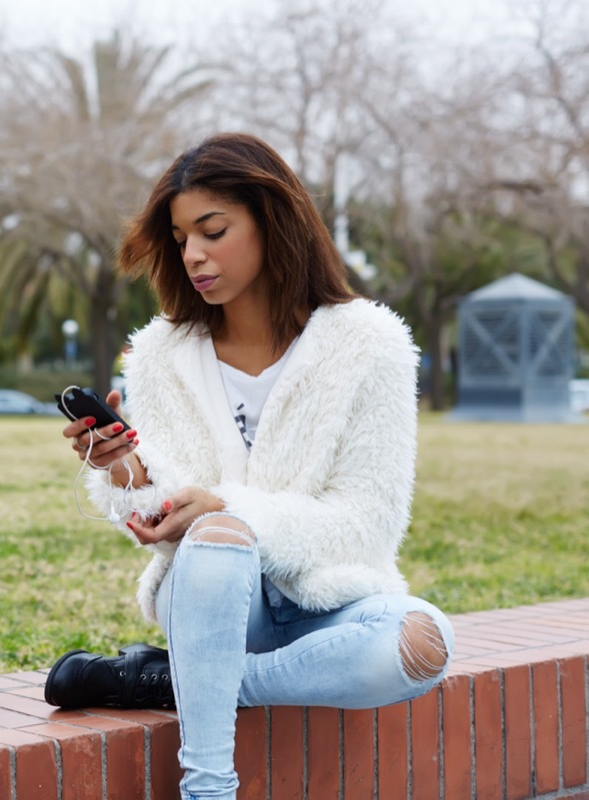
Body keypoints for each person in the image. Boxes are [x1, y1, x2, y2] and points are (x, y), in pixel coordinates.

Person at [46, 132, 454, 800]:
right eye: (180, 239)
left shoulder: (370, 346)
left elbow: (369, 523)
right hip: (206, 590)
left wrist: (235, 510)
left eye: (213, 230)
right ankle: (208, 787)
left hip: (325, 599)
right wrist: (125, 471)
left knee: (425, 639)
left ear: (273, 220)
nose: (194, 254)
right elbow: (159, 511)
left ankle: (175, 677)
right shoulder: (160, 353)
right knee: (217, 535)